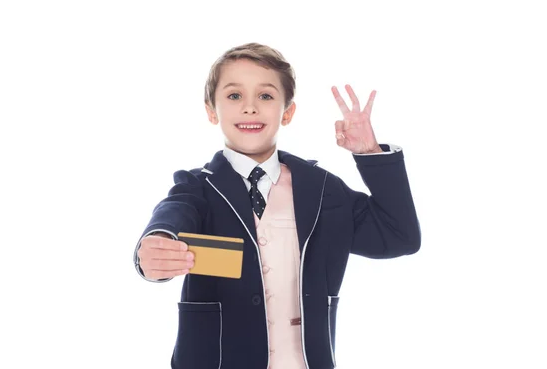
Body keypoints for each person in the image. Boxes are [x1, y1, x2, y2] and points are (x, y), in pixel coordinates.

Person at [133, 42, 421, 369]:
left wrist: (370, 153)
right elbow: (173, 215)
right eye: (234, 96)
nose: (250, 108)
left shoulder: (323, 189)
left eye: (266, 96)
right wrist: (156, 245)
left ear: (288, 112)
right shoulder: (198, 187)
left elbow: (400, 236)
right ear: (211, 111)